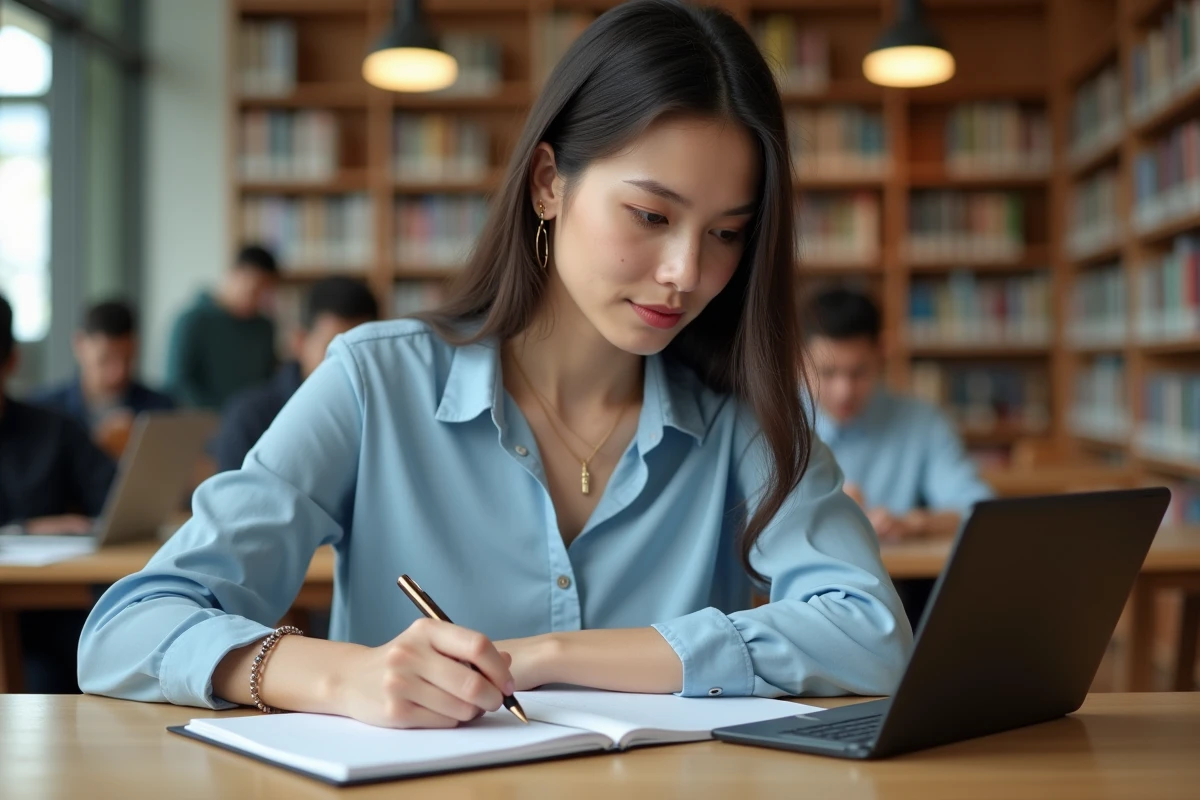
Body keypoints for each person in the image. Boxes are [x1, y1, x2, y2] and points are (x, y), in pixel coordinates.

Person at [79, 0, 911, 727]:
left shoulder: (741, 415)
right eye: (652, 215)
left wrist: (553, 654)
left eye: (728, 232)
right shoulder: (376, 384)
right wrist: (339, 676)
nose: (686, 273)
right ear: (549, 182)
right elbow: (128, 630)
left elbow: (872, 635)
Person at [805, 288, 994, 623]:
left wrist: (914, 523)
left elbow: (979, 510)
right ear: (799, 359)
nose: (843, 390)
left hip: (903, 596)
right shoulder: (773, 424)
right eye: (828, 373)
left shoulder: (922, 422)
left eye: (858, 372)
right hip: (805, 595)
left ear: (882, 354)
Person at [0, 294, 117, 692]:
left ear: (11, 362)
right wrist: (24, 528)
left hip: (52, 618)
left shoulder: (54, 429)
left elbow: (116, 499)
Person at [213, 277, 379, 473]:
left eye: (361, 352)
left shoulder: (379, 415)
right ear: (300, 342)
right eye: (332, 350)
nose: (349, 365)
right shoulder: (250, 417)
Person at [35, 299, 175, 457]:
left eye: (127, 359)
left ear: (136, 346)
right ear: (79, 345)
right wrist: (97, 444)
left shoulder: (161, 410)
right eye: (104, 360)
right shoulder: (44, 410)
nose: (118, 372)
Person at [165, 244, 280, 411]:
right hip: (201, 423)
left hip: (252, 424)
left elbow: (267, 384)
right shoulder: (192, 321)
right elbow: (177, 385)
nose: (256, 300)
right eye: (253, 290)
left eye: (265, 293)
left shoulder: (264, 328)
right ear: (232, 275)